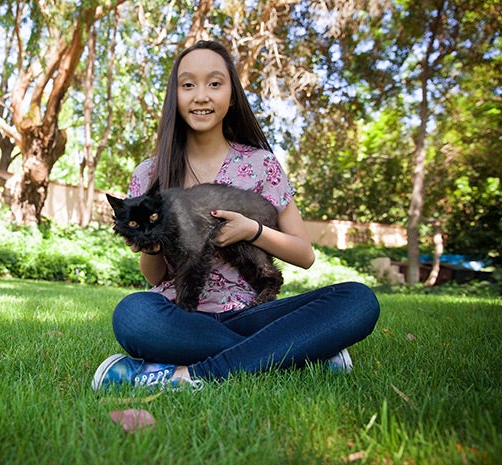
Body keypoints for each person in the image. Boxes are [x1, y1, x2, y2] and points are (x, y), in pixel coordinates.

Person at [91, 40, 380, 391]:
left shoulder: (261, 165)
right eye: (188, 85)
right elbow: (155, 279)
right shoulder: (150, 174)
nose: (201, 96)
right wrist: (152, 248)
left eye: (214, 83)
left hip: (250, 314)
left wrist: (252, 231)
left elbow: (304, 255)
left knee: (357, 301)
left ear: (232, 96)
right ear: (175, 97)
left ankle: (186, 374)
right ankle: (303, 355)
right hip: (181, 318)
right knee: (133, 316)